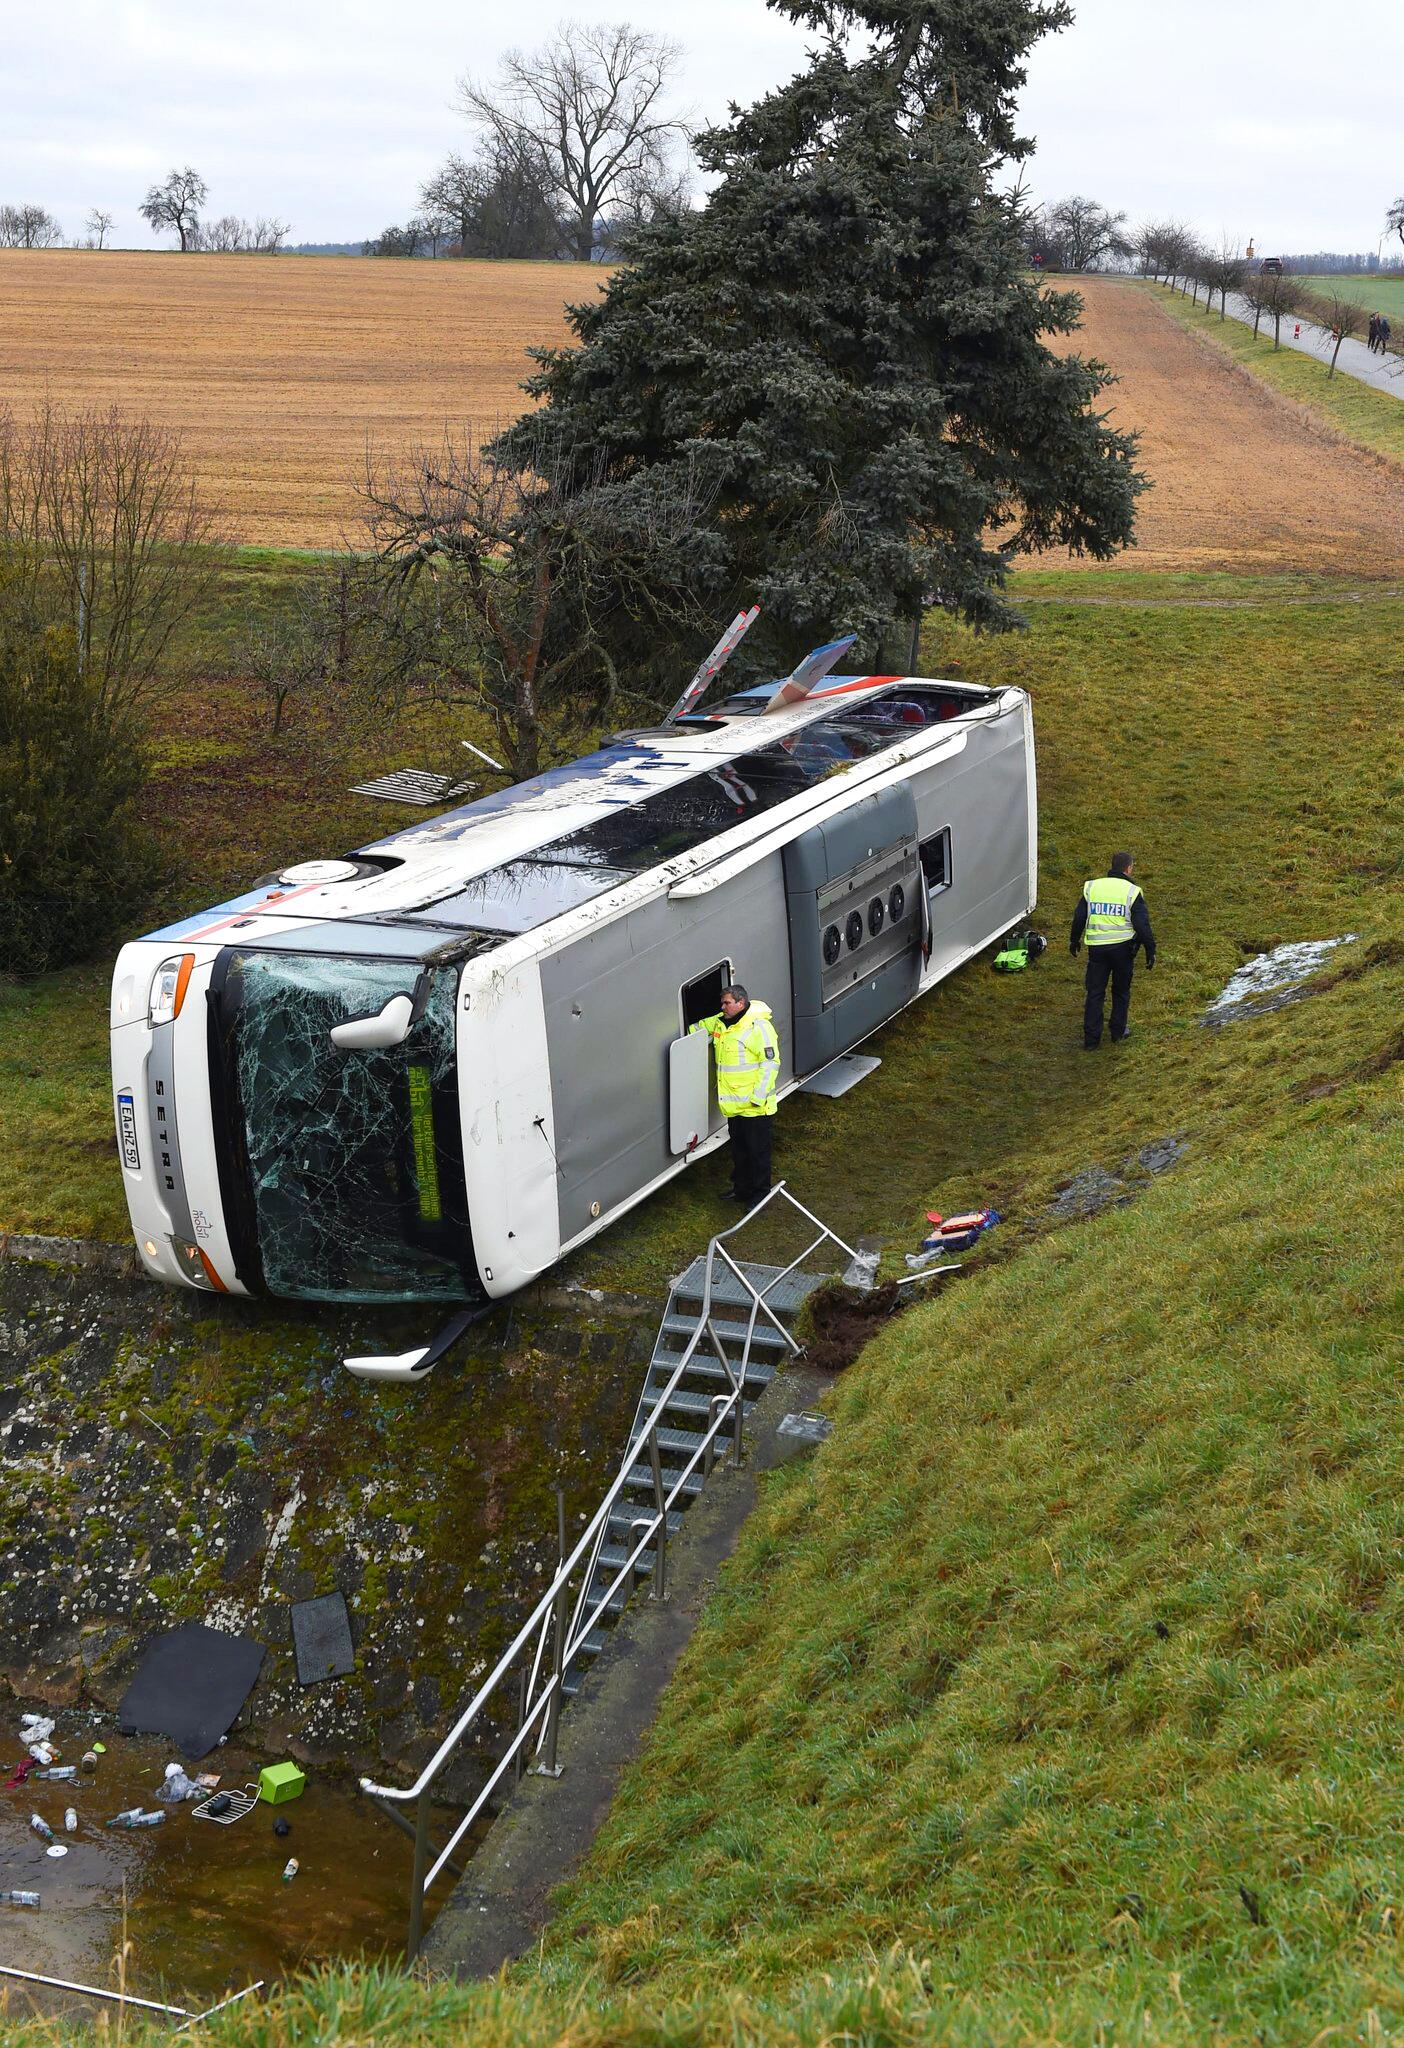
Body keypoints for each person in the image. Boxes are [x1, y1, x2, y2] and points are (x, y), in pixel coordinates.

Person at [690, 983, 780, 1203]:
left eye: (727, 1003)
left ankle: (760, 1195)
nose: (722, 1007)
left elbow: (770, 1064)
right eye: (722, 1003)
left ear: (741, 1003)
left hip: (755, 1107)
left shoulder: (759, 1027)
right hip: (734, 1106)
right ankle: (742, 1190)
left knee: (757, 1154)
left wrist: (757, 1098)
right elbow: (698, 1027)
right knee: (739, 1152)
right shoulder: (721, 1023)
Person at [1069, 852, 1156, 1050]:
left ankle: (1091, 1041)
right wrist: (1150, 949)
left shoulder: (1093, 887)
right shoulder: (1132, 892)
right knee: (1121, 991)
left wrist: (1074, 940)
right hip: (1123, 949)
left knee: (1095, 992)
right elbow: (1142, 925)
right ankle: (1117, 1032)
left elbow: (1079, 916)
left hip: (1097, 949)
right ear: (1129, 868)